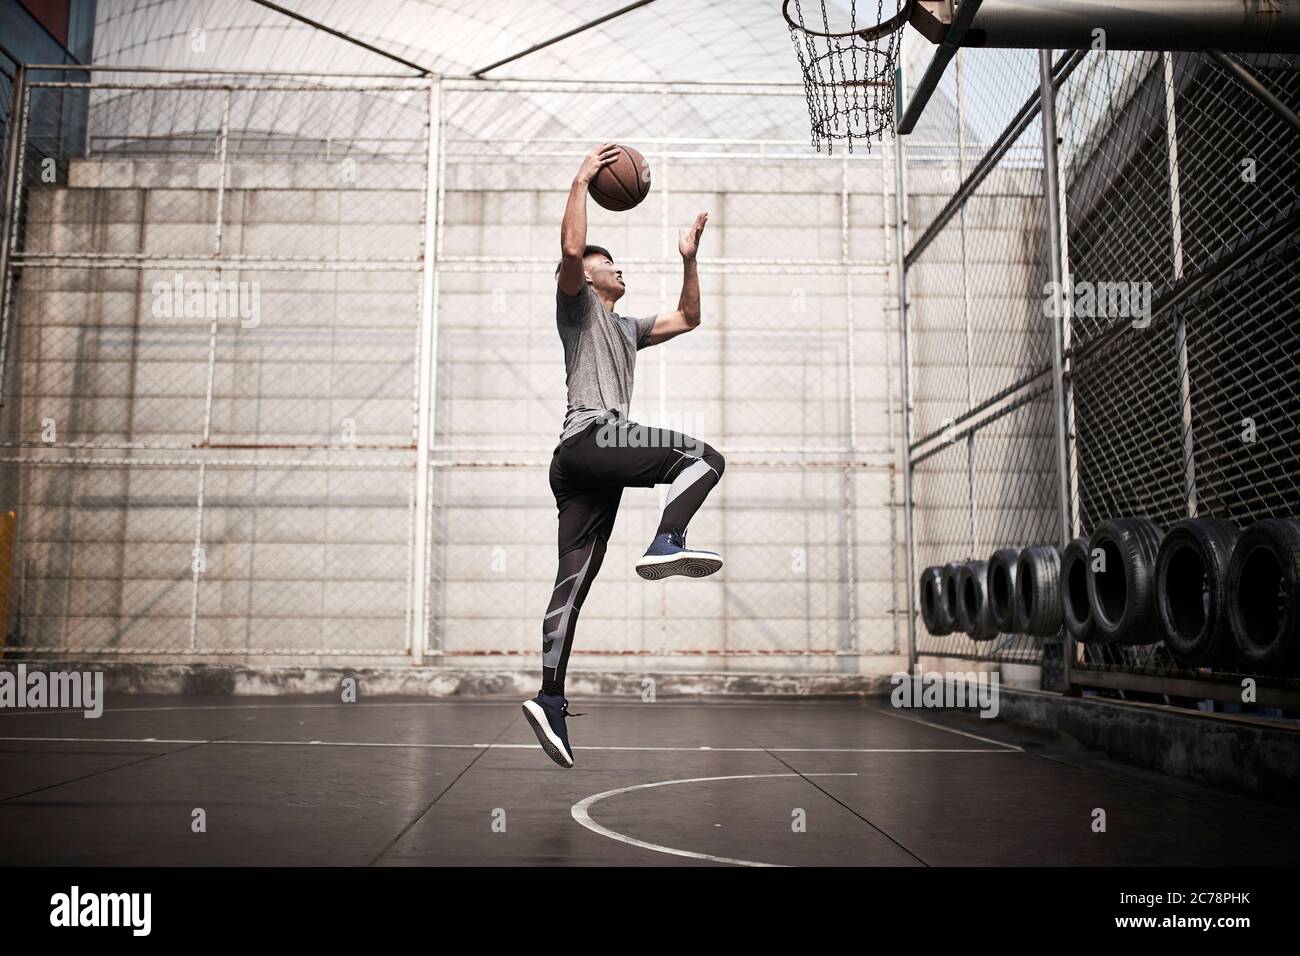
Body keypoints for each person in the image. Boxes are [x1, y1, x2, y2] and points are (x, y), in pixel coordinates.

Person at [522, 143, 726, 769]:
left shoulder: (628, 329)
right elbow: (568, 252)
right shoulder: (577, 307)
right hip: (592, 439)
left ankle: (549, 700)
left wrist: (689, 259)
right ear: (590, 276)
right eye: (609, 262)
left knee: (573, 584)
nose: (618, 268)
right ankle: (668, 539)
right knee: (703, 459)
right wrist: (581, 178)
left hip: (580, 465)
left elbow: (689, 317)